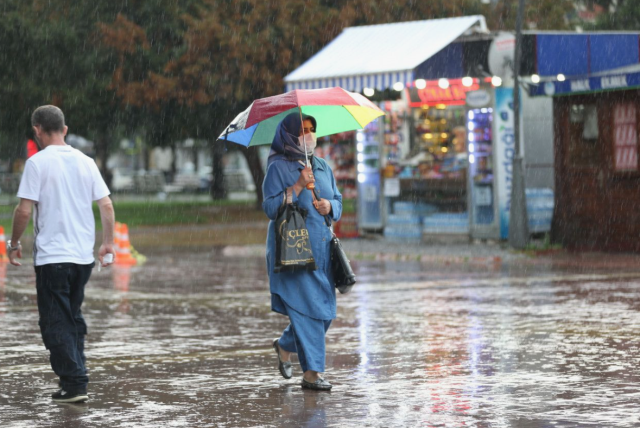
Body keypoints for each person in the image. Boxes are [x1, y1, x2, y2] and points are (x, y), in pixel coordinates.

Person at [8, 105, 115, 403]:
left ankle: (75, 382)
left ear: (37, 130)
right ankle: (74, 378)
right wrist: (108, 243)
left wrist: (14, 243)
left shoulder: (37, 163)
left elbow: (24, 210)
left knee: (55, 322)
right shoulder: (86, 161)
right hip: (82, 258)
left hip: (52, 258)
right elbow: (106, 205)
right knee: (71, 316)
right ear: (65, 130)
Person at [262, 112, 342, 391]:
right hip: (293, 251)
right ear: (289, 136)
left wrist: (329, 207)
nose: (308, 135)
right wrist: (296, 186)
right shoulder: (278, 167)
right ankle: (312, 374)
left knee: (325, 312)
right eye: (302, 131)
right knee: (308, 311)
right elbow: (271, 208)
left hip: (322, 253)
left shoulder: (322, 166)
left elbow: (338, 201)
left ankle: (284, 346)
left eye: (311, 129)